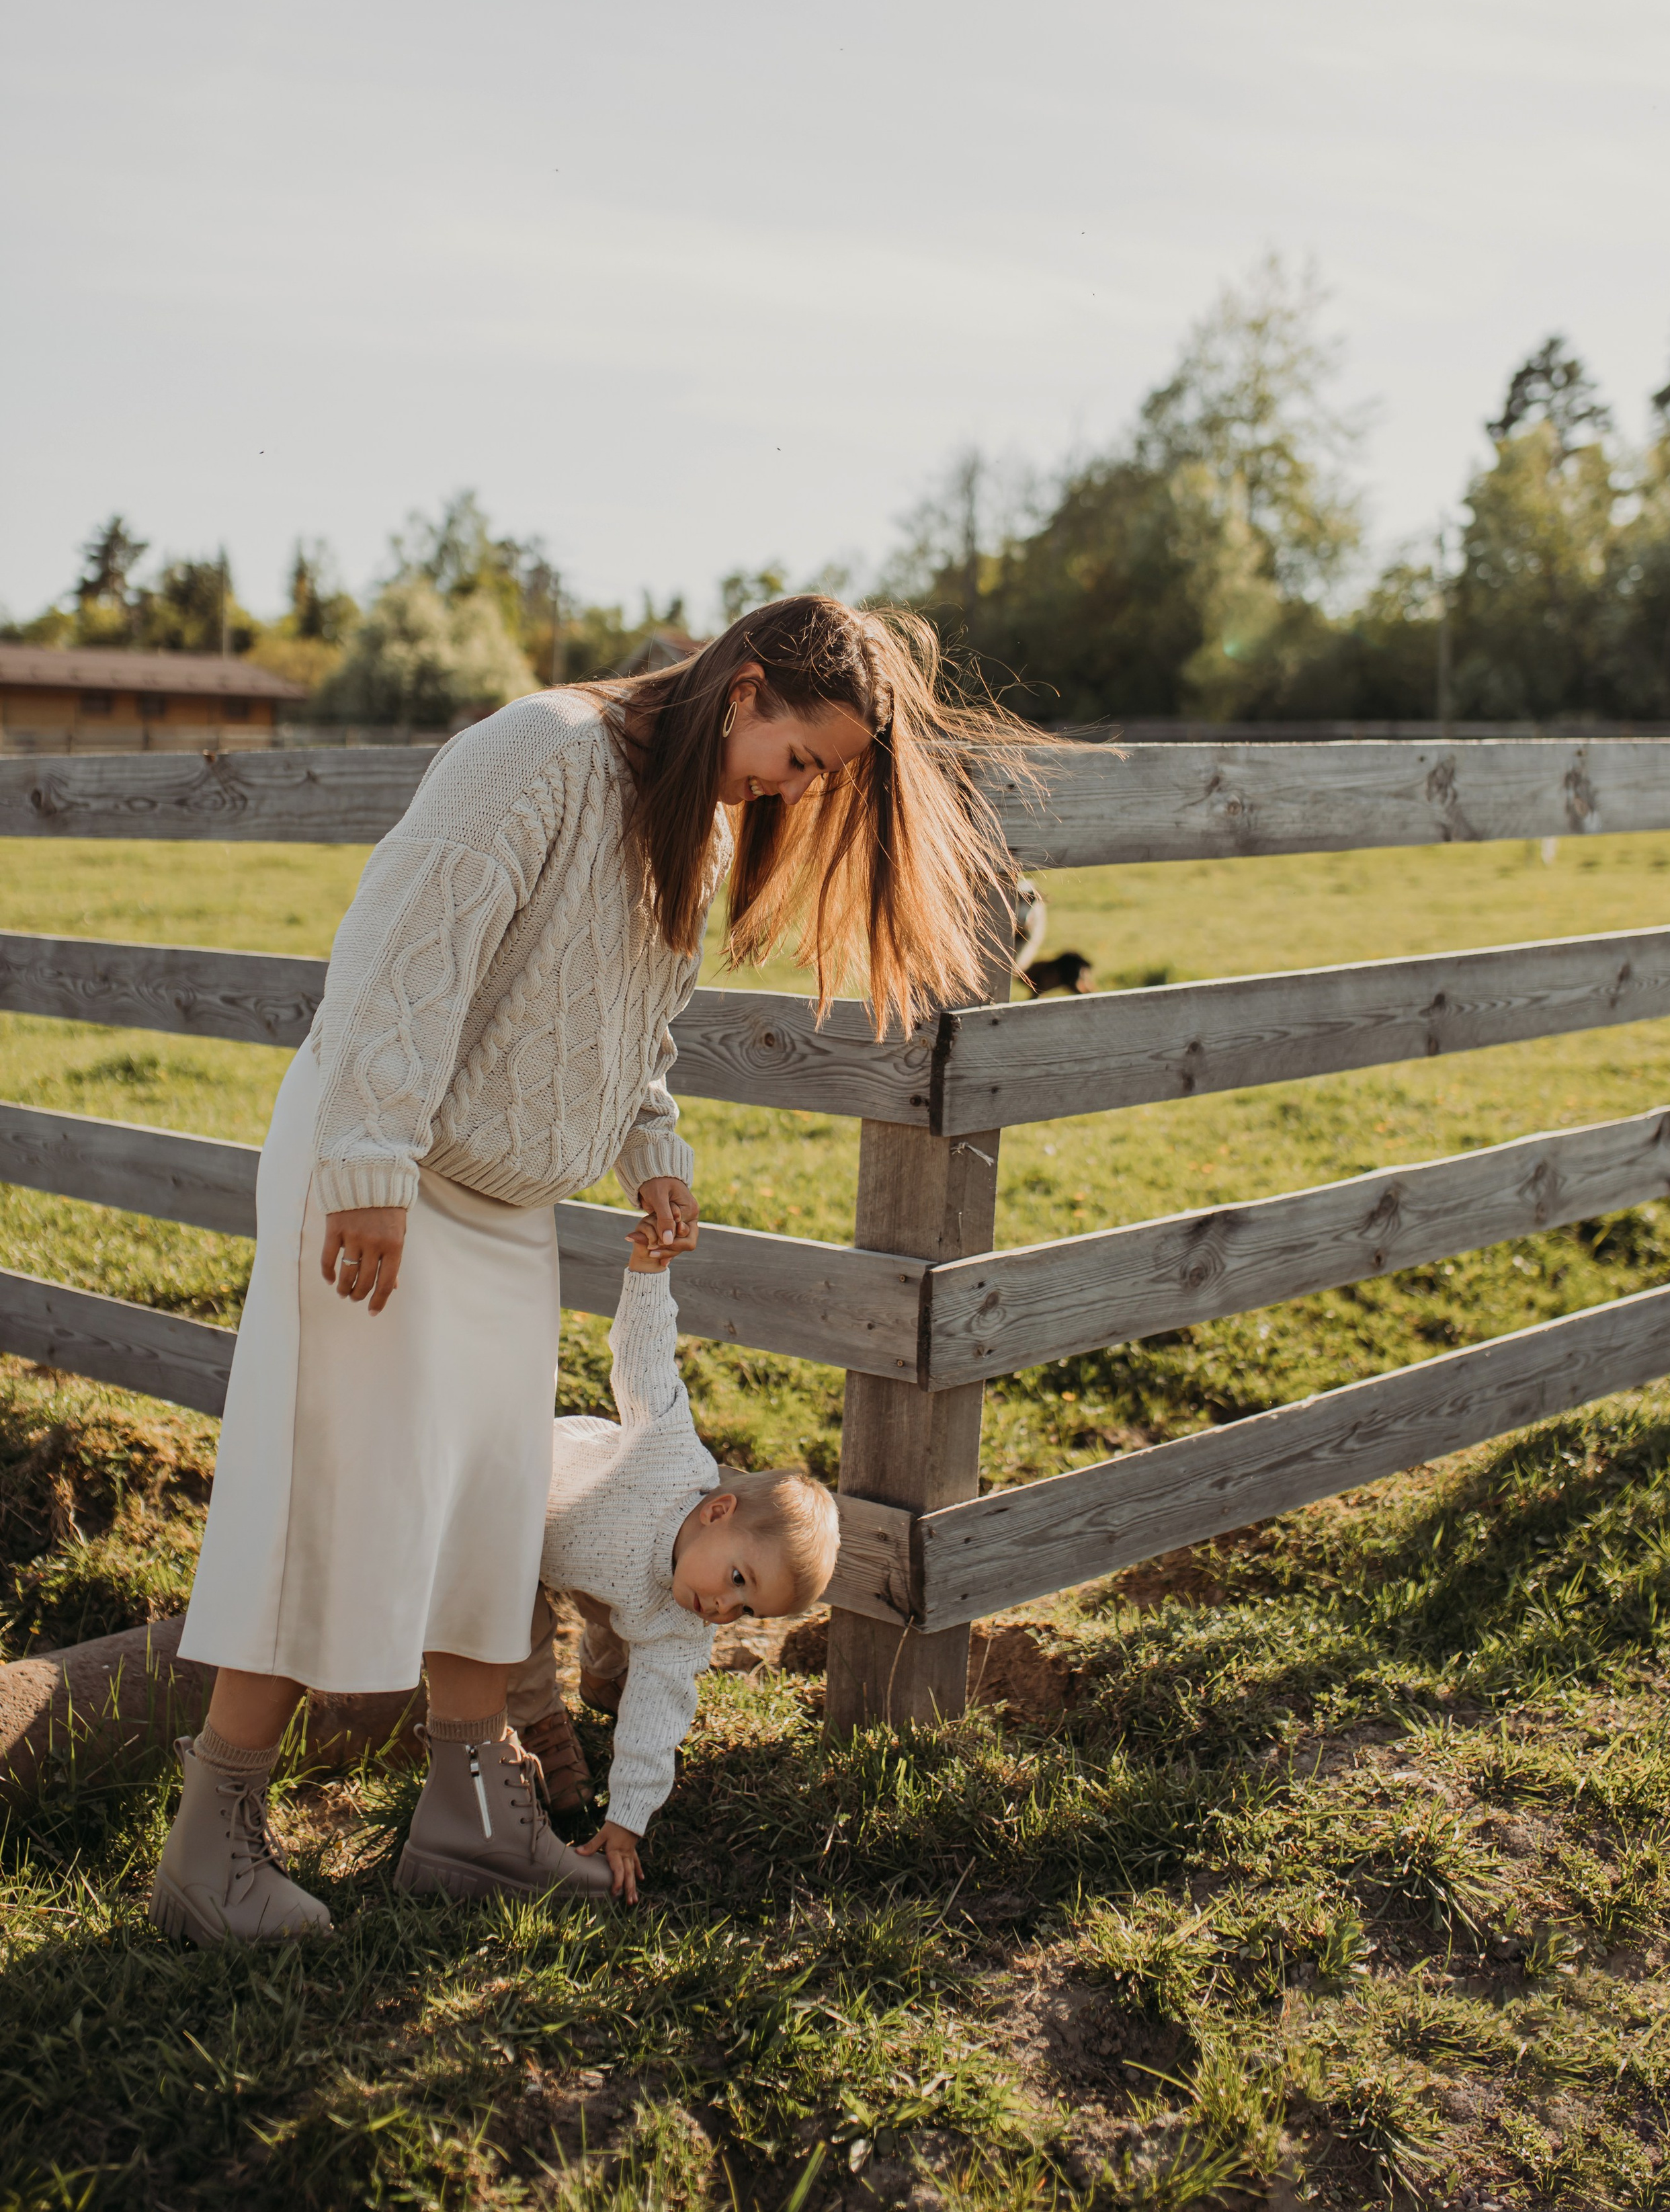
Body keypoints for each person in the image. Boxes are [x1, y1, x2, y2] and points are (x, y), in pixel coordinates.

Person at [149, 596, 1024, 1946]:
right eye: (802, 756)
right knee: (336, 1483)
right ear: (743, 691)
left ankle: (466, 1818)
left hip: (504, 1200)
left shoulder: (693, 818)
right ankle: (213, 1843)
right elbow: (398, 956)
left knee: (488, 1509)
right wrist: (369, 1163)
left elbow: (635, 1020)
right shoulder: (536, 755)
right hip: (387, 1171)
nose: (799, 789)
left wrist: (651, 1144)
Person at [395, 1213, 839, 1906]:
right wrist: (648, 1274)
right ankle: (540, 1720)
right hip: (532, 1508)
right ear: (717, 1511)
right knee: (519, 1625)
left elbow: (662, 1715)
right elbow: (643, 1359)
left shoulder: (685, 1622)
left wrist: (625, 1824)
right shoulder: (667, 1453)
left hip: (613, 1577)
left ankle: (606, 1679)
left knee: (629, 1633)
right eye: (737, 1579)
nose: (725, 1608)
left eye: (746, 1610)